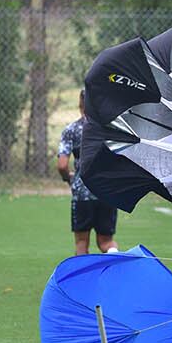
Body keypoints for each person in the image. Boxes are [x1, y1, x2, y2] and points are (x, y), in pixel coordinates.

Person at [58, 91, 119, 255]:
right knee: (106, 242)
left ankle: (84, 280)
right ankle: (114, 263)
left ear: (80, 105)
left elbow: (62, 165)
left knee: (82, 242)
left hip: (82, 193)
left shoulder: (71, 130)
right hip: (107, 191)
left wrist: (68, 178)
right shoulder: (110, 129)